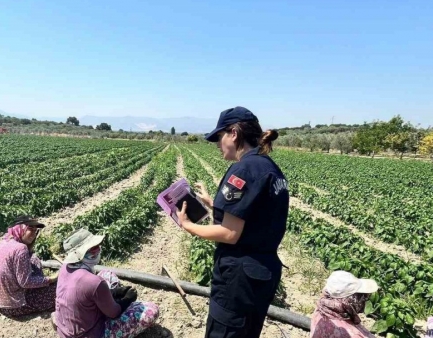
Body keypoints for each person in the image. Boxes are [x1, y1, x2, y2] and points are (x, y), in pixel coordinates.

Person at [176, 106, 289, 338]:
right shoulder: (270, 167)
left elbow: (230, 233)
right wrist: (213, 203)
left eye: (220, 137)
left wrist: (188, 225)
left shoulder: (244, 169)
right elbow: (254, 216)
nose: (218, 144)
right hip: (262, 273)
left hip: (239, 279)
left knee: (225, 331)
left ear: (234, 133)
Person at [54, 228, 159, 338]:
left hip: (65, 330)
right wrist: (127, 300)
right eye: (93, 249)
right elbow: (114, 313)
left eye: (98, 246)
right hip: (90, 334)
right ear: (80, 254)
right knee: (151, 310)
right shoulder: (94, 282)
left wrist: (113, 292)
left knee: (107, 274)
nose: (98, 250)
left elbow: (86, 292)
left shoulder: (65, 268)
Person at [0, 215, 58, 317]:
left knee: (34, 259)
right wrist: (51, 279)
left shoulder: (4, 242)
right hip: (15, 306)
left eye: (35, 230)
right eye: (30, 229)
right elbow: (25, 282)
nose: (33, 234)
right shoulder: (20, 249)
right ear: (19, 229)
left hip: (0, 303)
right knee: (60, 288)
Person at [310, 271, 379, 338]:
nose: (365, 299)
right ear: (350, 301)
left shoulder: (322, 307)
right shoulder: (351, 334)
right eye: (361, 296)